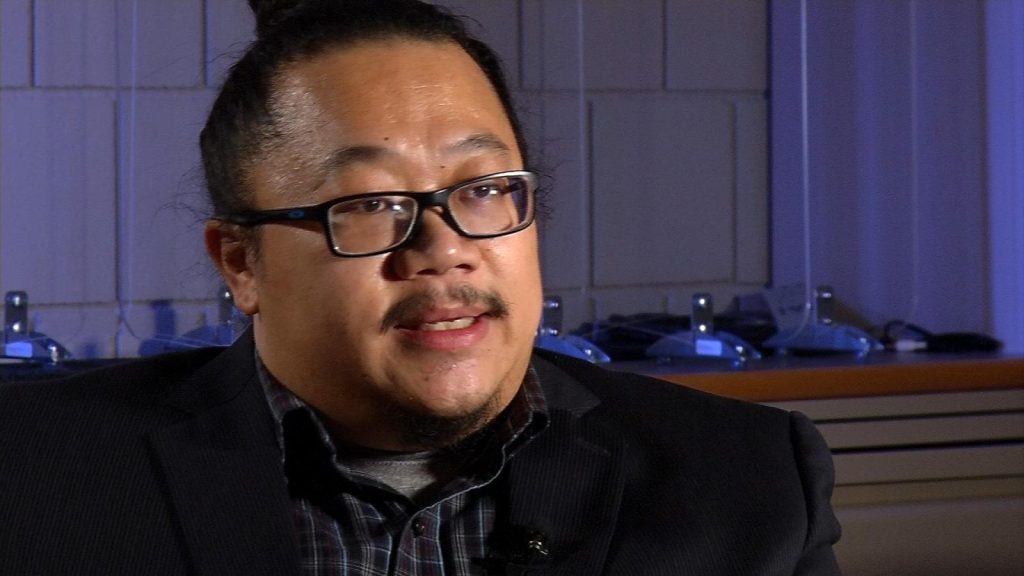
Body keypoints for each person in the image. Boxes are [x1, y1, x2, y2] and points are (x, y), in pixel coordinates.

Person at [0, 0, 841, 574]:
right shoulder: (36, 476)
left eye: (484, 190)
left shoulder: (746, 481)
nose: (444, 249)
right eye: (370, 204)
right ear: (242, 264)